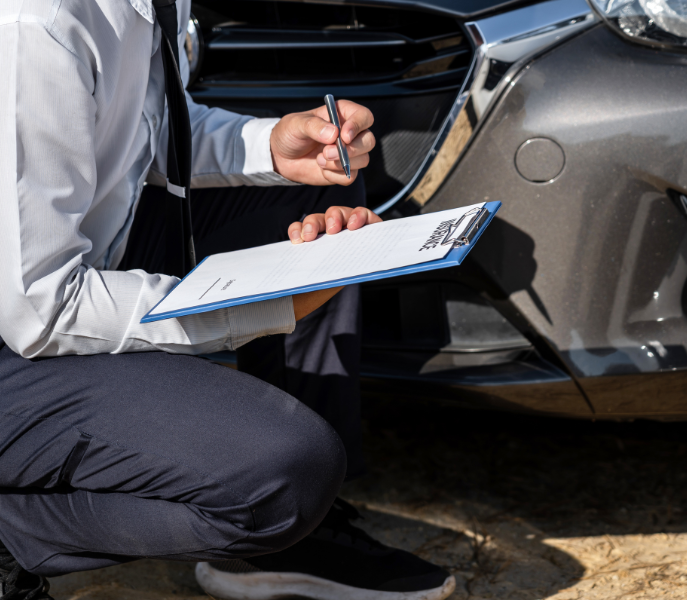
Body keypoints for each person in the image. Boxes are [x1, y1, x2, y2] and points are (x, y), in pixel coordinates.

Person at [0, 1, 456, 600]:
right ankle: (11, 538)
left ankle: (298, 542)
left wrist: (272, 146)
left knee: (311, 208)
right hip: (21, 326)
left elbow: (140, 125)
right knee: (286, 474)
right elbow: (41, 308)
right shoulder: (39, 25)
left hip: (69, 266)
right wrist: (258, 307)